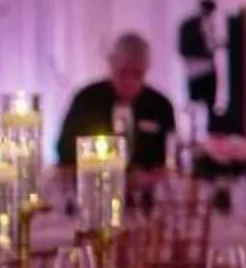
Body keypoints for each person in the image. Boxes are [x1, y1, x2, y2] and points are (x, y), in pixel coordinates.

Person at [57, 32, 176, 172]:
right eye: (123, 72)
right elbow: (64, 151)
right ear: (111, 65)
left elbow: (168, 159)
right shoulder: (86, 100)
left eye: (137, 74)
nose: (129, 81)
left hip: (147, 190)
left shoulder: (160, 105)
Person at [176, 0, 222, 127]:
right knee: (208, 103)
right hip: (204, 68)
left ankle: (194, 128)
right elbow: (209, 45)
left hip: (192, 69)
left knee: (194, 103)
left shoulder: (187, 24)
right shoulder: (204, 24)